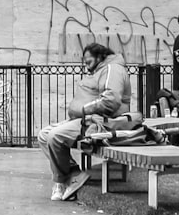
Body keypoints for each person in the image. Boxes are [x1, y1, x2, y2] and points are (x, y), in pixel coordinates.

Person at [38, 43, 131, 202]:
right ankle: (73, 174)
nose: (86, 67)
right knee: (43, 135)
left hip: (100, 122)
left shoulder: (112, 69)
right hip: (86, 120)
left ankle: (61, 181)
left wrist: (83, 110)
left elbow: (111, 101)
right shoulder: (102, 70)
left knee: (55, 136)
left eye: (88, 62)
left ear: (100, 57)